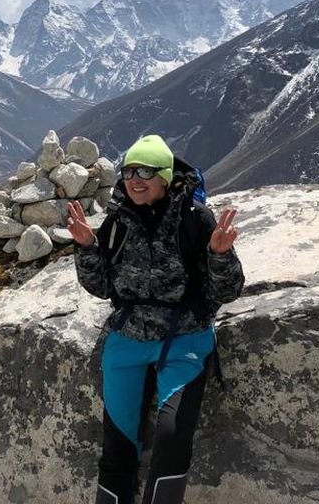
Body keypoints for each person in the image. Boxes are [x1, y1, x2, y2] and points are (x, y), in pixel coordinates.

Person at [67, 134, 244, 504]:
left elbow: (225, 292)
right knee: (117, 445)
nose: (135, 179)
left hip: (185, 337)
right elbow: (103, 287)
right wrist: (86, 247)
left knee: (171, 436)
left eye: (146, 171)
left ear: (164, 176)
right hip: (128, 338)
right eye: (129, 171)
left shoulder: (195, 219)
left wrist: (219, 254)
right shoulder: (117, 222)